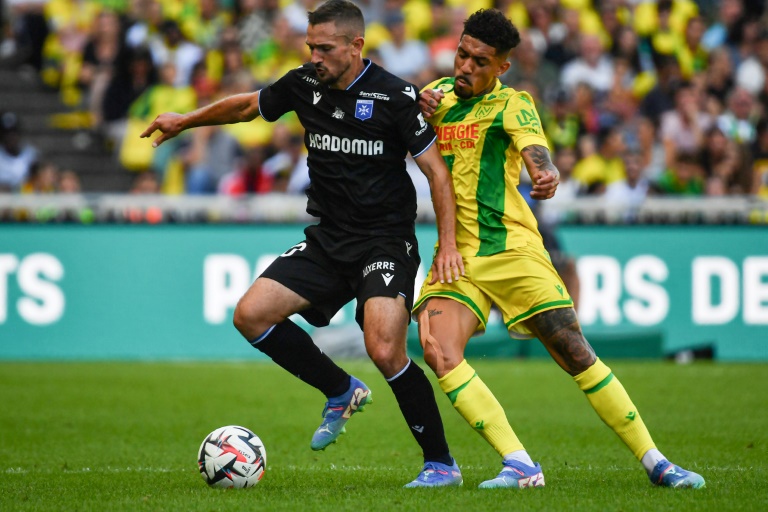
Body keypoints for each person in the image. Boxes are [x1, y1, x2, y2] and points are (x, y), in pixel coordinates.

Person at [141, 0, 465, 488]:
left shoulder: (397, 97)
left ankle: (441, 463)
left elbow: (437, 173)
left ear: (356, 46)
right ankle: (339, 389)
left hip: (384, 242)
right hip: (329, 239)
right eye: (310, 46)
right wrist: (185, 120)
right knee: (250, 315)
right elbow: (249, 106)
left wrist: (446, 246)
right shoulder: (304, 83)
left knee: (383, 348)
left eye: (325, 48)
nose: (315, 55)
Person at [415, 8, 705, 490]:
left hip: (511, 249)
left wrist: (543, 172)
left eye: (479, 61)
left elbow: (534, 148)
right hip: (456, 255)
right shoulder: (437, 98)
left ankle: (657, 462)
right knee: (437, 350)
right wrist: (413, 109)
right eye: (461, 54)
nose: (464, 66)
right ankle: (520, 465)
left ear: (501, 67)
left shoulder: (514, 102)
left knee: (573, 350)